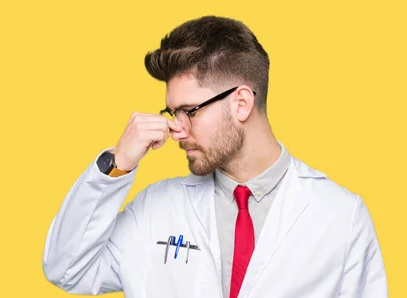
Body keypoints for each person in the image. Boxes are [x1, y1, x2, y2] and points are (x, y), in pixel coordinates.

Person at [42, 15, 388, 298]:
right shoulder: (155, 209)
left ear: (241, 103)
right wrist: (117, 164)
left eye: (189, 110)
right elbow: (68, 270)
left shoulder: (341, 216)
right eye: (172, 113)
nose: (176, 128)